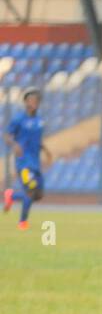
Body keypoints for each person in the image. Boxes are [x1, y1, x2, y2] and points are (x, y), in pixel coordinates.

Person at [4, 88, 52, 231]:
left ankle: (11, 196)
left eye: (36, 101)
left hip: (35, 162)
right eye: (31, 100)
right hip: (23, 162)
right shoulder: (18, 119)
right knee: (31, 190)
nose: (34, 103)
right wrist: (14, 145)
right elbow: (7, 135)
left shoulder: (40, 121)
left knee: (39, 194)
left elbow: (37, 140)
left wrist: (46, 150)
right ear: (25, 102)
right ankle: (22, 222)